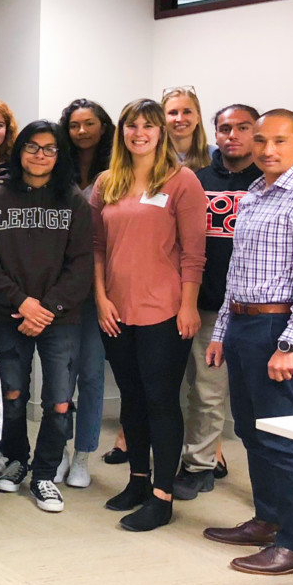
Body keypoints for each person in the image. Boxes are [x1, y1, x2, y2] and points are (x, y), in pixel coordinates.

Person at [204, 109, 293, 575]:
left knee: (283, 439)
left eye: (281, 142)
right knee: (251, 431)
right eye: (263, 141)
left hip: (278, 329)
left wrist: (290, 346)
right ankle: (268, 520)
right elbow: (236, 273)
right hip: (244, 325)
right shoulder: (252, 195)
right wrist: (221, 331)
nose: (269, 150)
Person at [92, 98, 206, 532]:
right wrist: (101, 298)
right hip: (116, 312)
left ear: (161, 132)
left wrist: (189, 305)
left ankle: (163, 495)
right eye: (131, 125)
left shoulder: (182, 181)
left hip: (165, 311)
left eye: (148, 125)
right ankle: (138, 481)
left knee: (160, 401)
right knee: (132, 399)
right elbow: (98, 248)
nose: (139, 132)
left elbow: (194, 253)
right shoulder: (109, 181)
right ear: (122, 132)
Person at [0, 121, 93, 512]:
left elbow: (81, 266)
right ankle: (17, 462)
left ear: (60, 155)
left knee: (59, 400)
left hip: (60, 318)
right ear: (19, 151)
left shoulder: (73, 200)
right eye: (32, 147)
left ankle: (44, 475)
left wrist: (46, 309)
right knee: (11, 395)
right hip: (11, 314)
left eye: (49, 148)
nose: (40, 155)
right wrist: (22, 303)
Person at [175, 104, 262, 500]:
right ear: (215, 132)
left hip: (256, 308)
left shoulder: (270, 181)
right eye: (225, 128)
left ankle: (209, 460)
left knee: (239, 397)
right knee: (204, 392)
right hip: (204, 303)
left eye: (243, 128)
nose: (233, 135)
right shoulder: (196, 179)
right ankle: (198, 465)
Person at [58, 99, 116, 481]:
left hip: (100, 283)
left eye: (89, 123)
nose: (82, 131)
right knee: (60, 377)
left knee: (92, 375)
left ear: (103, 126)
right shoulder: (57, 168)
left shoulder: (116, 170)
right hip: (60, 285)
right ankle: (59, 451)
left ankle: (83, 456)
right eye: (75, 125)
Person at [162, 86, 211, 171]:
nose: (180, 119)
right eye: (173, 113)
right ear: (162, 118)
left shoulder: (216, 156)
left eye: (187, 112)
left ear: (198, 117)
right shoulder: (152, 158)